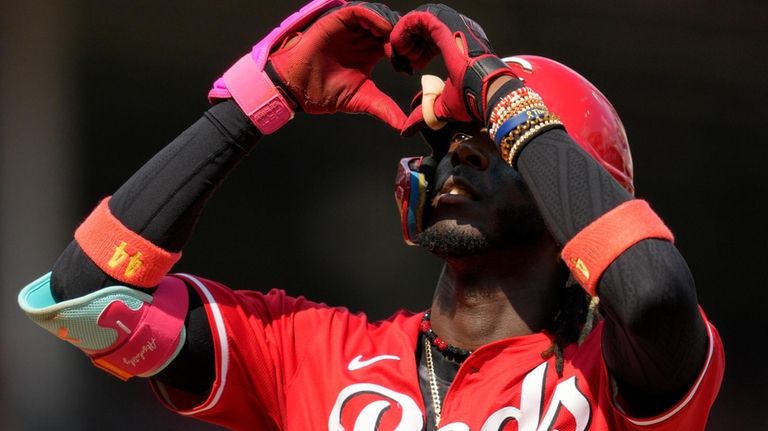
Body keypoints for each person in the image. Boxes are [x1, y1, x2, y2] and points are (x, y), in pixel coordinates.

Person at [18, 1, 724, 430]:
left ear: (578, 197)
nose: (463, 157)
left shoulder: (613, 373)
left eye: (498, 143)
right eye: (449, 142)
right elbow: (86, 297)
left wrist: (498, 91)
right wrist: (255, 104)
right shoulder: (306, 349)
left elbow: (655, 292)